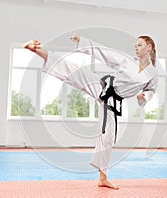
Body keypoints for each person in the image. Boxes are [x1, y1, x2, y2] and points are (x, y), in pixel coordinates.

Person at [23, 33, 158, 190]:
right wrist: (83, 42)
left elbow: (151, 90)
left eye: (139, 45)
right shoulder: (128, 62)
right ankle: (36, 50)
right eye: (135, 45)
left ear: (149, 47)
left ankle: (103, 178)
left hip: (112, 102)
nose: (136, 47)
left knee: (108, 138)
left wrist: (144, 96)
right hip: (103, 87)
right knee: (74, 71)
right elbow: (106, 53)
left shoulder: (153, 73)